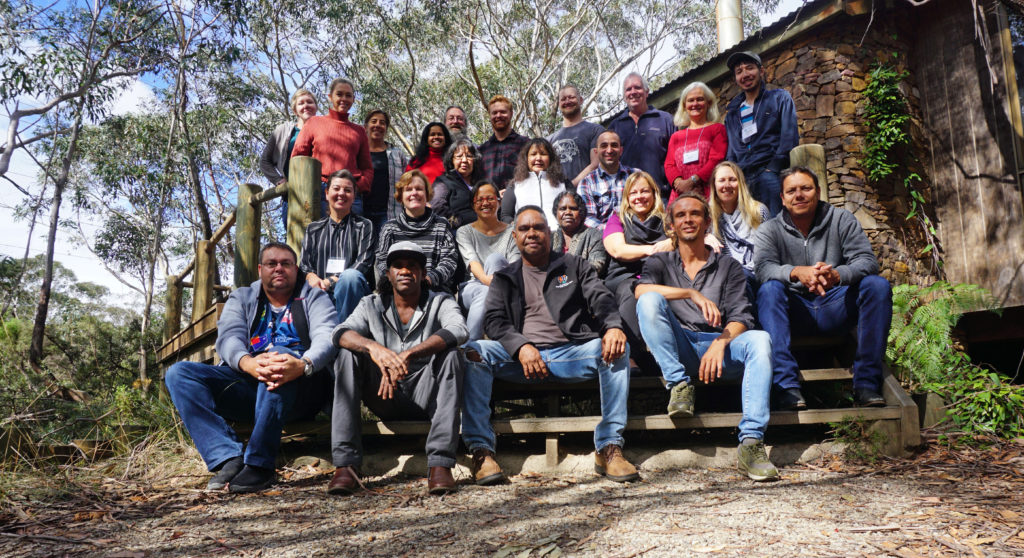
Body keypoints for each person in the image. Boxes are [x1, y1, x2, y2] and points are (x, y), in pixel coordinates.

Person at [462, 206, 638, 485]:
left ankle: (609, 447)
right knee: (473, 352)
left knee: (617, 350)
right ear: (515, 236)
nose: (531, 233)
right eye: (524, 229)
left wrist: (614, 327)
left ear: (549, 232)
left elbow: (601, 299)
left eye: (538, 228)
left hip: (570, 353)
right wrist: (520, 346)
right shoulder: (506, 277)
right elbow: (494, 321)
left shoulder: (574, 266)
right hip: (520, 360)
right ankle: (482, 451)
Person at [164, 243, 337, 493]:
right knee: (179, 373)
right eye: (271, 263)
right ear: (260, 269)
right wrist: (249, 363)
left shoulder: (314, 296)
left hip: (302, 390)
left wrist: (303, 364)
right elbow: (229, 338)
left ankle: (260, 464)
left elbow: (326, 335)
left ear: (296, 269)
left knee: (280, 355)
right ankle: (228, 456)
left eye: (286, 263)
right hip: (250, 385)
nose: (279, 268)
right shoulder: (243, 297)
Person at [328, 242, 468, 496]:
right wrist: (375, 349)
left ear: (423, 274)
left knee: (452, 356)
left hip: (426, 391)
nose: (405, 271)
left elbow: (459, 330)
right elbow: (339, 333)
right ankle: (346, 465)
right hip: (383, 394)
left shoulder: (440, 301)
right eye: (398, 266)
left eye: (412, 266)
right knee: (348, 355)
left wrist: (411, 353)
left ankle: (440, 464)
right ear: (388, 274)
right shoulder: (370, 304)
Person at [754, 167, 892, 410]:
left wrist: (837, 275)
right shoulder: (769, 230)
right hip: (795, 311)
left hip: (834, 304)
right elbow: (763, 269)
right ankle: (786, 386)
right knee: (769, 290)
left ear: (817, 192)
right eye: (791, 191)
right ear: (783, 199)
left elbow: (867, 262)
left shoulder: (841, 219)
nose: (799, 195)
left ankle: (867, 384)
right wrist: (796, 272)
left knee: (877, 286)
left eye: (806, 188)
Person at [603, 172, 674, 371]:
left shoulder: (666, 219)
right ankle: (630, 355)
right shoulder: (617, 219)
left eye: (644, 191)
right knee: (632, 291)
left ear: (654, 193)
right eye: (633, 193)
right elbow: (617, 249)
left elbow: (683, 238)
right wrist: (652, 249)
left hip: (661, 276)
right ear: (627, 197)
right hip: (624, 277)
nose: (639, 197)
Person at [724, 51, 799, 217]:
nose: (745, 74)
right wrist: (733, 174)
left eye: (749, 68)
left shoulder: (780, 98)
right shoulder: (732, 114)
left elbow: (789, 137)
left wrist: (772, 169)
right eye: (739, 72)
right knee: (750, 230)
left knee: (778, 225)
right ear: (736, 79)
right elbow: (731, 150)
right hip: (743, 179)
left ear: (761, 71)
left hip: (770, 174)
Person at [291, 77, 374, 215]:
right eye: (339, 94)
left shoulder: (359, 131)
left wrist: (357, 188)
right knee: (320, 236)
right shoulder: (314, 123)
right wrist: (309, 188)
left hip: (351, 195)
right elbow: (298, 158)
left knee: (351, 236)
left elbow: (367, 168)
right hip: (320, 193)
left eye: (348, 95)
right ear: (330, 97)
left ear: (353, 99)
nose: (344, 99)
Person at [300, 170, 374, 323]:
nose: (341, 193)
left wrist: (331, 281)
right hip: (320, 294)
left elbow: (364, 263)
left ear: (354, 196)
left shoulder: (364, 226)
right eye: (336, 188)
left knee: (350, 277)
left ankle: (345, 335)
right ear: (326, 193)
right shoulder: (313, 229)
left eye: (348, 190)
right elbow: (304, 265)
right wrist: (310, 276)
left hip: (353, 296)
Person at [375, 170, 460, 293]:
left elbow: (449, 260)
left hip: (434, 291)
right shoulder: (389, 228)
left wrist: (428, 280)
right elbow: (382, 261)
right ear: (401, 196)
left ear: (427, 194)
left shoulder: (441, 225)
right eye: (408, 189)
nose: (414, 193)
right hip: (397, 292)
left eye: (419, 189)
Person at [456, 182, 520, 341]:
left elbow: (514, 265)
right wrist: (487, 280)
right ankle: (472, 346)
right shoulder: (464, 231)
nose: (485, 203)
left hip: (505, 284)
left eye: (490, 198)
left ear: (499, 201)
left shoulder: (512, 232)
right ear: (473, 204)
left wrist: (495, 283)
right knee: (483, 290)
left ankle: (469, 347)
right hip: (473, 287)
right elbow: (472, 261)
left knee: (495, 259)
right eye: (480, 200)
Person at [607, 72, 676, 198]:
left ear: (646, 92)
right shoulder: (615, 126)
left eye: (637, 87)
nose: (633, 92)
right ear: (624, 96)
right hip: (629, 198)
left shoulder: (665, 120)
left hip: (662, 197)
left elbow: (677, 158)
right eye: (628, 89)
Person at [709, 161, 769, 299]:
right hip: (726, 279)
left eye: (732, 180)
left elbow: (768, 251)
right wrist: (704, 237)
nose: (727, 185)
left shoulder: (759, 211)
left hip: (758, 273)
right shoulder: (708, 218)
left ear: (740, 183)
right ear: (714, 186)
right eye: (721, 180)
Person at [260, 88, 318, 227]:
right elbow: (264, 161)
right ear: (294, 110)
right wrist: (278, 179)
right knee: (293, 241)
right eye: (301, 103)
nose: (306, 106)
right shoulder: (283, 131)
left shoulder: (325, 130)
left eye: (310, 102)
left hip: (320, 193)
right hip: (291, 194)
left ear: (316, 107)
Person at [664, 82, 728, 203]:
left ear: (708, 103)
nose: (695, 104)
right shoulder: (676, 137)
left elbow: (716, 159)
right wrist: (679, 183)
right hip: (680, 194)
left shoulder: (717, 129)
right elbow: (669, 165)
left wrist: (692, 181)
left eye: (700, 99)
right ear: (684, 105)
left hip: (708, 192)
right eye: (690, 100)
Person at [499, 138, 569, 229]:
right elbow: (506, 215)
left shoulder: (563, 183)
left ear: (551, 158)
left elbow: (574, 209)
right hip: (527, 238)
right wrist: (519, 229)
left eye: (543, 154)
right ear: (526, 158)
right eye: (533, 154)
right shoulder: (515, 185)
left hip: (559, 237)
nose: (538, 158)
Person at [577, 130, 635, 230]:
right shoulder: (587, 183)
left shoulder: (635, 176)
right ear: (596, 152)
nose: (609, 150)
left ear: (621, 150)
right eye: (604, 146)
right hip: (601, 238)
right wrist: (612, 231)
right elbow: (587, 217)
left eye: (614, 145)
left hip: (635, 235)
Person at [547, 84, 603, 186]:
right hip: (557, 197)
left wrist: (571, 186)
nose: (567, 101)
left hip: (587, 194)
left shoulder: (595, 130)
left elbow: (596, 164)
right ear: (559, 104)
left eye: (571, 97)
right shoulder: (549, 140)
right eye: (563, 99)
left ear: (581, 100)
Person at [364, 109, 409, 238]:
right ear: (365, 127)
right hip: (361, 212)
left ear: (386, 128)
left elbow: (406, 183)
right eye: (374, 121)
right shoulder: (358, 152)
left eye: (382, 123)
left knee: (387, 250)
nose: (378, 125)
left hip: (389, 212)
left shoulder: (397, 153)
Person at [478, 95, 530, 191]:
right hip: (490, 203)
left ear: (511, 114)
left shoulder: (526, 145)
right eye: (494, 113)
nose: (498, 116)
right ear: (490, 115)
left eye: (503, 112)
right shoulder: (482, 150)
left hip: (518, 202)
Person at [551, 190, 607, 276]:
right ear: (556, 213)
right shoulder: (549, 237)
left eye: (573, 208)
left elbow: (597, 267)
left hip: (584, 286)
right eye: (562, 209)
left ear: (581, 212)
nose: (568, 212)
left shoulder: (595, 236)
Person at [432, 138, 484, 228]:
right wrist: (461, 220)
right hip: (457, 234)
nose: (464, 160)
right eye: (459, 156)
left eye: (469, 156)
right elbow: (437, 207)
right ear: (452, 160)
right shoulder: (443, 181)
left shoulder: (482, 181)